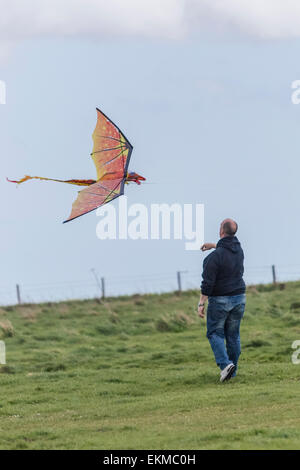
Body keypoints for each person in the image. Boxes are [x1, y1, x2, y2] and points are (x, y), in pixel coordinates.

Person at [198, 219, 246, 382]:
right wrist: (213, 245)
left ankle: (225, 365)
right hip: (239, 298)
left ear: (221, 231)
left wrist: (201, 303)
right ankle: (231, 370)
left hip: (220, 300)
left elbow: (208, 284)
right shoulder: (238, 249)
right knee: (233, 335)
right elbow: (226, 249)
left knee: (214, 333)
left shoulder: (213, 258)